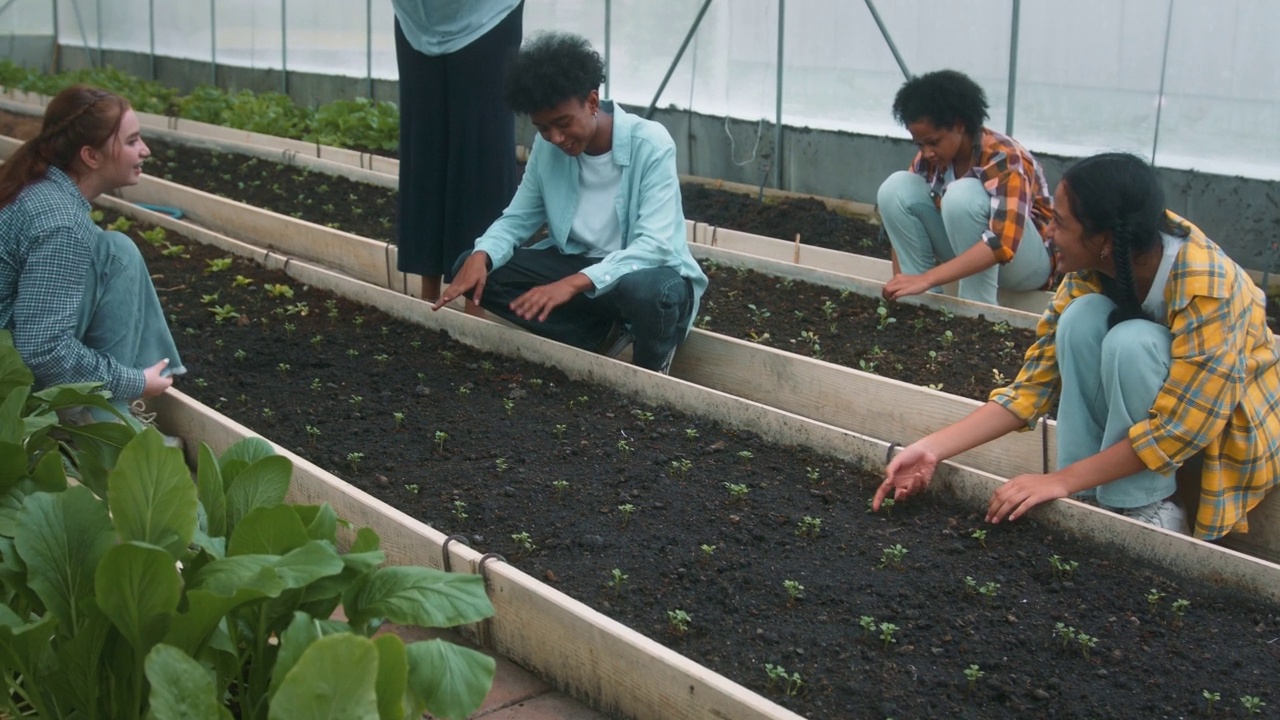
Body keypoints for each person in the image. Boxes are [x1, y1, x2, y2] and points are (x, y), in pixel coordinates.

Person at [875, 153, 1280, 541]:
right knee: (1083, 317)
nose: (1048, 233)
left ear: (1104, 238)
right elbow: (1031, 390)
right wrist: (930, 449)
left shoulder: (1206, 286)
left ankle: (1150, 508)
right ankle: (1090, 500)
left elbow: (1181, 428)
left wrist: (1057, 480)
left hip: (1221, 431)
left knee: (1132, 341)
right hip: (1152, 435)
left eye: (1060, 224)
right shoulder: (1093, 270)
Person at [433, 32, 708, 374]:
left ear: (592, 102)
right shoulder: (547, 149)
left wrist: (573, 282)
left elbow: (655, 246)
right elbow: (517, 219)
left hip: (642, 274)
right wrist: (481, 255)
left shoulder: (650, 144)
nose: (556, 138)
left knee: (647, 290)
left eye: (563, 124)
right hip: (582, 269)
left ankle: (651, 373)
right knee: (476, 269)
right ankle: (595, 336)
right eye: (544, 128)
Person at [0, 85, 182, 422]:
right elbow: (42, 349)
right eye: (131, 141)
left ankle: (108, 413)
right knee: (115, 255)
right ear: (91, 156)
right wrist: (132, 381)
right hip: (9, 389)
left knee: (112, 248)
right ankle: (106, 423)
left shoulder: (34, 186)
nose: (146, 150)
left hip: (8, 357)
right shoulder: (62, 224)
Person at [878, 69, 1054, 306]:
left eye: (933, 142)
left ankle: (977, 315)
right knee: (895, 189)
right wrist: (902, 285)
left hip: (1025, 266)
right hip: (972, 255)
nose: (926, 152)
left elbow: (1003, 243)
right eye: (920, 144)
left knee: (962, 196)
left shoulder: (1002, 156)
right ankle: (919, 305)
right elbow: (899, 225)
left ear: (959, 126)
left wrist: (927, 278)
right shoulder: (930, 160)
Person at [392, 0, 524, 301]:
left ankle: (476, 302)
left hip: (485, 15)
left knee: (480, 154)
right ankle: (427, 297)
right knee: (424, 150)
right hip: (417, 17)